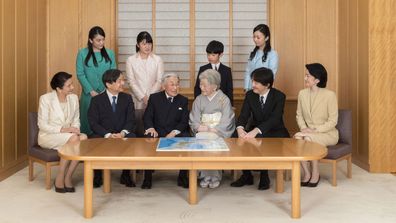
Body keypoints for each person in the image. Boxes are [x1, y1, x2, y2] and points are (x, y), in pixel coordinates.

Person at [231, 67, 289, 190]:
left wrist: (256, 130)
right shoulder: (250, 95)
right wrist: (240, 128)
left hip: (275, 130)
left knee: (260, 138)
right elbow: (244, 115)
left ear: (267, 85)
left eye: (256, 83)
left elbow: (275, 119)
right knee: (235, 137)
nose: (253, 85)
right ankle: (247, 175)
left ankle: (264, 175)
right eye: (253, 81)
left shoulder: (279, 96)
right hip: (255, 128)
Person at [38, 72, 87, 193]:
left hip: (69, 135)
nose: (73, 87)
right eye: (69, 85)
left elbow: (76, 119)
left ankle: (68, 176)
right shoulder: (45, 99)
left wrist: (75, 129)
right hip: (49, 136)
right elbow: (42, 125)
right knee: (75, 139)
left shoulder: (74, 98)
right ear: (59, 89)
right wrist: (64, 130)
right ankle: (60, 177)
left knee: (84, 137)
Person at [88, 69, 137, 188]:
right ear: (108, 84)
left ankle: (126, 174)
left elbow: (131, 120)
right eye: (119, 81)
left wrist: (123, 133)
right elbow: (93, 123)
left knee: (132, 138)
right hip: (104, 134)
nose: (123, 83)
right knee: (94, 139)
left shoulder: (127, 98)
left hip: (122, 133)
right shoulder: (96, 100)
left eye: (123, 80)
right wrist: (108, 135)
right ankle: (98, 175)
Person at [142, 73, 190, 189]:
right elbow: (147, 116)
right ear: (164, 86)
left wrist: (174, 132)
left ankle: (182, 177)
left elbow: (184, 121)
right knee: (149, 136)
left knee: (187, 136)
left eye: (177, 84)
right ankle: (147, 178)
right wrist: (151, 128)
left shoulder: (183, 100)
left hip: (174, 132)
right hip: (157, 131)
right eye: (172, 84)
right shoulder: (154, 98)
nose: (175, 87)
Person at [189, 69, 235, 189]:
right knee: (202, 139)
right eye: (200, 84)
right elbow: (194, 118)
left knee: (213, 141)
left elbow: (227, 118)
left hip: (217, 131)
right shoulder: (198, 99)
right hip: (203, 130)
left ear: (214, 86)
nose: (201, 87)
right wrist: (199, 126)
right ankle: (204, 176)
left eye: (204, 85)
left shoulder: (224, 99)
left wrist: (216, 129)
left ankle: (215, 176)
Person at [295, 63, 338, 187]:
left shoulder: (330, 95)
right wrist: (303, 128)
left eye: (308, 76)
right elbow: (299, 115)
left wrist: (314, 130)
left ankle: (315, 173)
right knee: (298, 137)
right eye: (305, 75)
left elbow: (333, 121)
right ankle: (307, 173)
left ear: (317, 80)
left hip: (327, 133)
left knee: (308, 138)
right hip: (307, 131)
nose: (305, 78)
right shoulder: (302, 94)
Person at [76, 26, 116, 135]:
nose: (101, 42)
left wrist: (106, 90)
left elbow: (113, 73)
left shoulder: (110, 53)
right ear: (90, 40)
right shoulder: (82, 53)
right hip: (89, 94)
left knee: (105, 122)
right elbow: (80, 74)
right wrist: (91, 90)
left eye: (103, 39)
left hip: (106, 93)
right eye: (98, 40)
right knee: (87, 123)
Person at [126, 31, 164, 135]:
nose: (147, 46)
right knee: (138, 129)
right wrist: (143, 97)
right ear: (138, 45)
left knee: (153, 130)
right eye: (144, 43)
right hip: (137, 100)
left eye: (149, 43)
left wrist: (150, 98)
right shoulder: (131, 60)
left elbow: (159, 80)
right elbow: (131, 82)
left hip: (154, 98)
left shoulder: (157, 59)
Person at [194, 40, 233, 105]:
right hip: (205, 102)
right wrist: (198, 103)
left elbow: (229, 90)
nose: (210, 57)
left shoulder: (227, 70)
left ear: (220, 54)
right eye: (208, 55)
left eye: (213, 55)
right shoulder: (203, 69)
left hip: (221, 103)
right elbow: (197, 88)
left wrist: (230, 105)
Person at [244, 24, 278, 91]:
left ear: (266, 38)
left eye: (258, 37)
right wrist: (246, 88)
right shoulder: (252, 53)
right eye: (254, 37)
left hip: (264, 89)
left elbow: (271, 74)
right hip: (251, 89)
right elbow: (248, 72)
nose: (255, 40)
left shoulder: (273, 54)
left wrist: (260, 88)